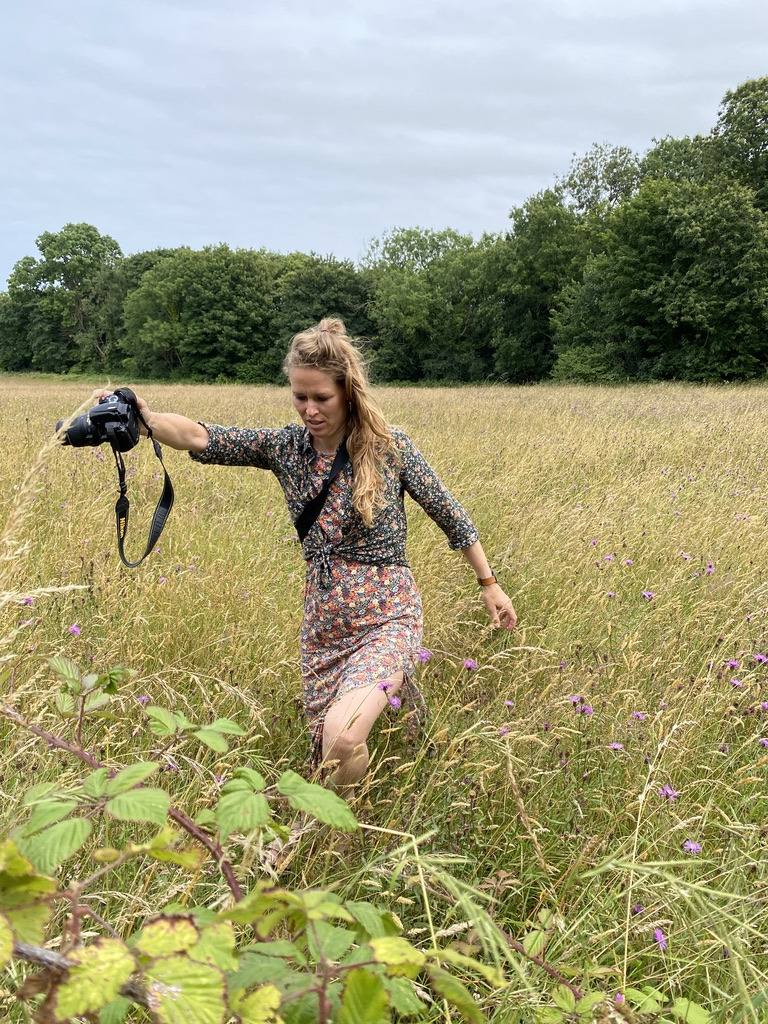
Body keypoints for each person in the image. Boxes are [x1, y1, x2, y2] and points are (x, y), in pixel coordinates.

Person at [95, 318, 517, 797]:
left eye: (322, 398)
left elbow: (450, 514)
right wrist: (148, 421)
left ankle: (339, 832)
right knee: (323, 752)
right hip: (324, 624)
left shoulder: (388, 448)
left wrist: (489, 584)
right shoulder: (286, 448)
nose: (310, 410)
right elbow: (200, 437)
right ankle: (346, 808)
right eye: (300, 397)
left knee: (342, 736)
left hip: (388, 613)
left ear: (349, 392)